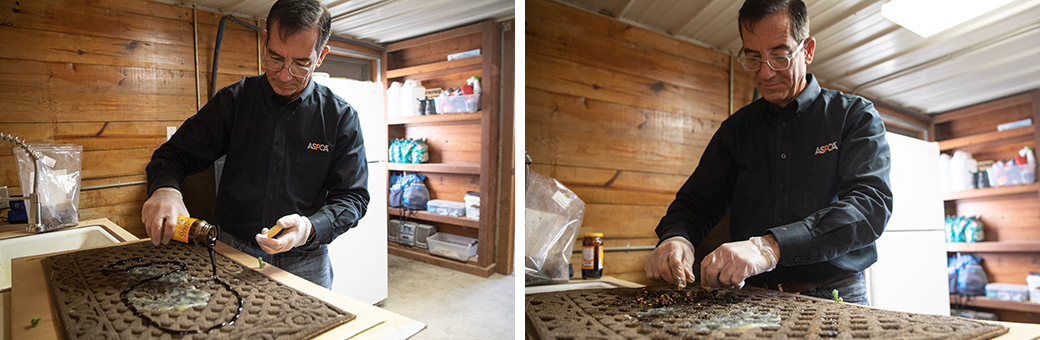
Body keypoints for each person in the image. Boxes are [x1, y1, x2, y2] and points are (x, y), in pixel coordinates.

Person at [644, 0, 892, 305]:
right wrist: (676, 238)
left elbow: (870, 206)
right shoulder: (736, 130)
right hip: (751, 295)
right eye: (753, 57)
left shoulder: (853, 116)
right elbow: (696, 203)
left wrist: (771, 247)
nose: (765, 73)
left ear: (808, 50)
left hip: (835, 292)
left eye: (780, 55)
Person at [141, 0, 370, 289]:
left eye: (301, 64)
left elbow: (352, 198)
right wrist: (165, 190)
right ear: (265, 41)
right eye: (275, 58)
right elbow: (173, 154)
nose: (285, 75)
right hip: (233, 250)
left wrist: (308, 228)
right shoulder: (234, 101)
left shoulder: (340, 117)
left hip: (306, 260)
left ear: (321, 55)